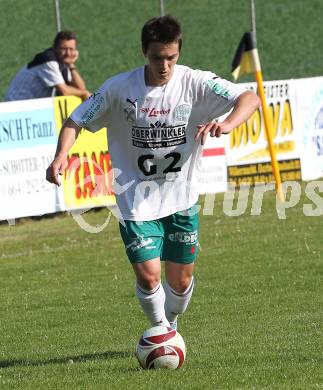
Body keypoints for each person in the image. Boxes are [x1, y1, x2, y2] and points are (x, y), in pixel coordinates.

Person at [46, 16, 260, 330]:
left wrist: (227, 123)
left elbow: (250, 98)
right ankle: (162, 331)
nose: (165, 65)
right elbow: (76, 120)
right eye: (157, 57)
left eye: (171, 57)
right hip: (136, 201)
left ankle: (169, 323)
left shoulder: (195, 82)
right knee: (149, 278)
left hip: (181, 200)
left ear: (179, 53)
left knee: (181, 282)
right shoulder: (119, 89)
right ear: (145, 51)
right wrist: (61, 156)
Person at [5, 30, 91, 101]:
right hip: (16, 106)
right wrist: (84, 93)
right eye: (64, 49)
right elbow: (64, 91)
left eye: (71, 49)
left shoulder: (63, 62)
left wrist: (71, 64)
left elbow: (80, 88)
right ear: (55, 48)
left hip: (32, 107)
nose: (68, 53)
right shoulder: (48, 59)